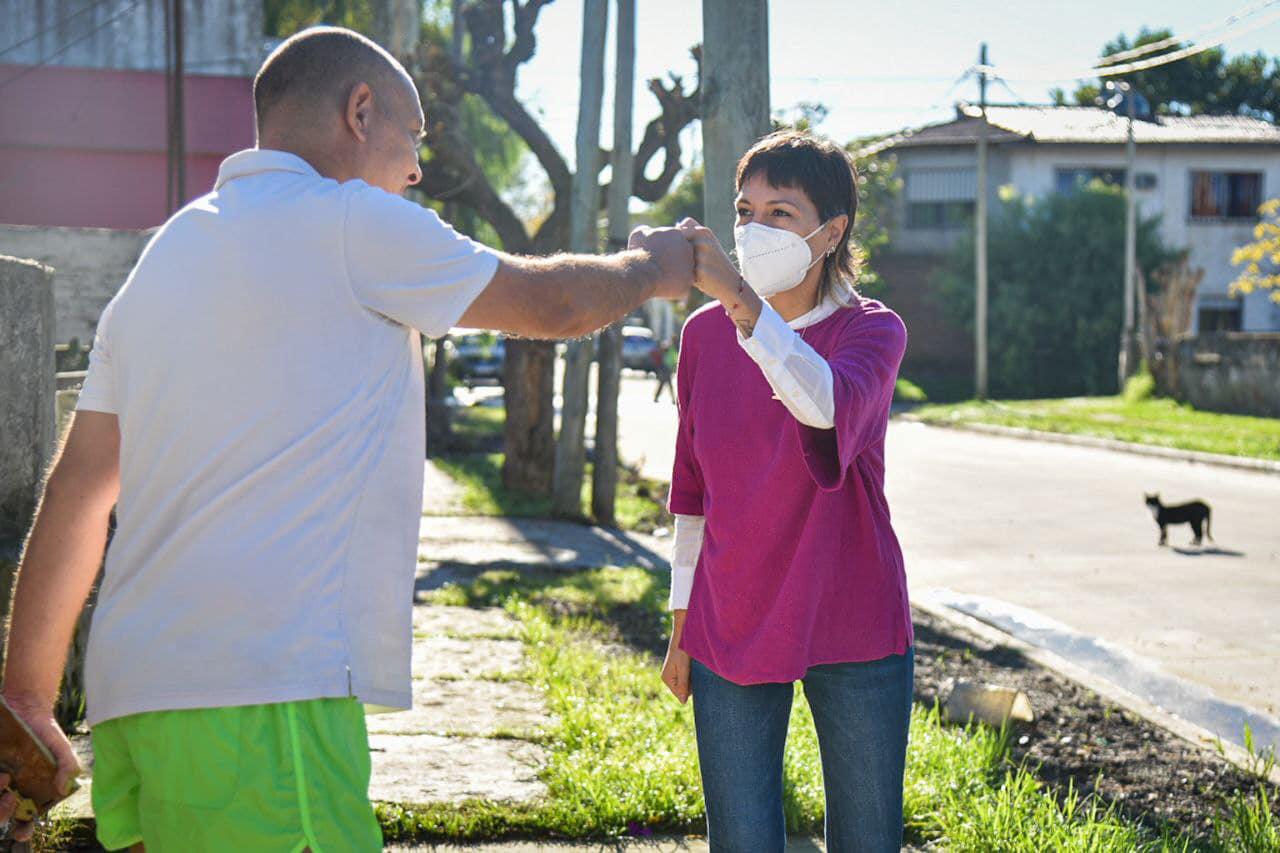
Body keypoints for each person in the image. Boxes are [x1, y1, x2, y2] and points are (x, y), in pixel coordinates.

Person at [0, 27, 691, 851]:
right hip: (263, 698)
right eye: (414, 136)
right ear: (360, 112)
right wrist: (655, 267)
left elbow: (78, 492)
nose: (419, 169)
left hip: (135, 703)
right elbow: (552, 307)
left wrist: (27, 702)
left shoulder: (168, 254)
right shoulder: (351, 219)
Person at [661, 130, 914, 853]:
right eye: (745, 210)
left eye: (780, 212)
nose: (753, 228)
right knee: (740, 840)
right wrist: (681, 626)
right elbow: (692, 494)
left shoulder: (872, 332)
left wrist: (745, 304)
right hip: (731, 615)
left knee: (868, 839)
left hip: (853, 615)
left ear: (831, 232)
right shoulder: (705, 337)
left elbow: (826, 405)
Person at [653, 337, 676, 403]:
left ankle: (657, 397)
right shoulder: (669, 346)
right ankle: (672, 399)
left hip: (668, 368)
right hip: (665, 367)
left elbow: (673, 358)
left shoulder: (672, 348)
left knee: (664, 384)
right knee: (665, 384)